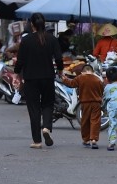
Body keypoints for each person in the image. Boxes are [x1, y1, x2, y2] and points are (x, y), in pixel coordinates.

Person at [15, 13, 63, 149]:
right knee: (48, 104)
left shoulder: (26, 40)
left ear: (32, 24)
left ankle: (37, 141)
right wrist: (60, 70)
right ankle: (46, 127)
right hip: (48, 77)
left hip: (30, 79)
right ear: (44, 23)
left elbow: (20, 60)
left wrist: (17, 73)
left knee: (34, 108)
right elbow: (59, 58)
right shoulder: (52, 39)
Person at [61, 61, 104, 148]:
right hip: (96, 103)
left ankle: (86, 140)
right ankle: (94, 139)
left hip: (85, 103)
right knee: (95, 121)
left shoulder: (80, 78)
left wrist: (64, 79)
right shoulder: (98, 80)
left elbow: (71, 84)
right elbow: (101, 91)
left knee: (85, 121)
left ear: (82, 72)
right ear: (92, 71)